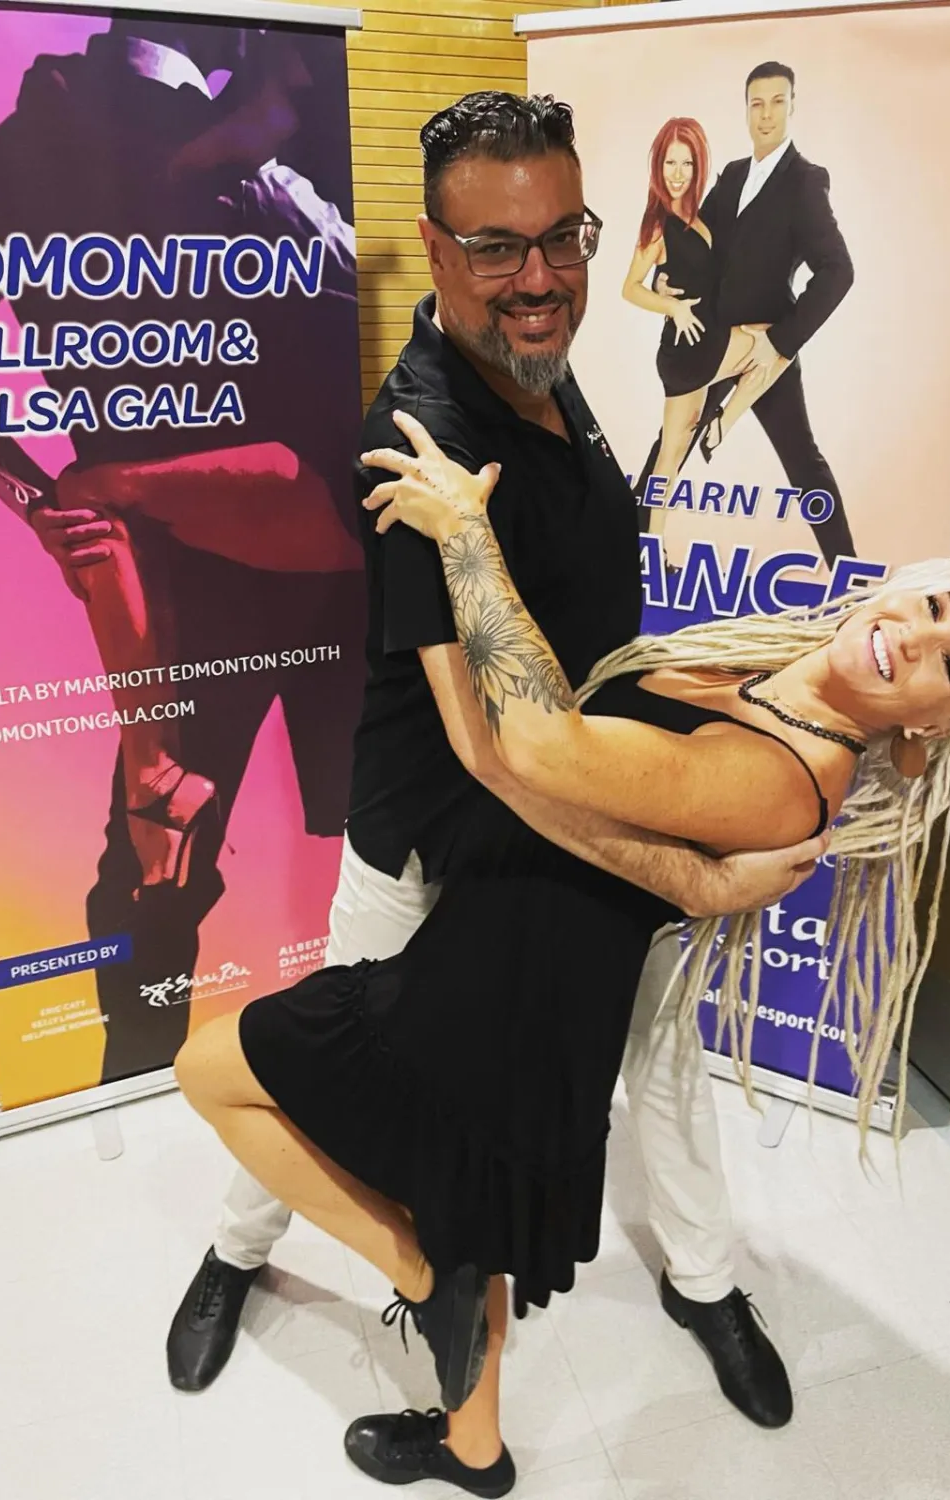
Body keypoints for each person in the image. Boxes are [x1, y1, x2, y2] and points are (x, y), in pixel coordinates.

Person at [176, 409, 950, 1497]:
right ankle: (474, 1451)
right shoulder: (775, 673)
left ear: (938, 726)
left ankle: (408, 1273)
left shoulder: (789, 775)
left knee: (209, 1073)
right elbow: (536, 770)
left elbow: (531, 751)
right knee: (471, 1202)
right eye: (928, 605)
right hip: (524, 966)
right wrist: (695, 880)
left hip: (505, 982)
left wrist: (459, 547)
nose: (915, 638)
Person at [166, 92, 817, 1430]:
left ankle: (700, 1280)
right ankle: (241, 1251)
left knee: (662, 1057)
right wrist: (682, 876)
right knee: (323, 1071)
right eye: (495, 248)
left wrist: (734, 694)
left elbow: (577, 644)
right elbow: (484, 740)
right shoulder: (420, 442)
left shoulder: (544, 356)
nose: (540, 277)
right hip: (435, 840)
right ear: (436, 244)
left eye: (561, 237)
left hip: (580, 806)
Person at [0, 21, 366, 1082]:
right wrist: (36, 488)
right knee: (157, 889)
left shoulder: (302, 96)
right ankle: (146, 1090)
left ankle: (363, 1059)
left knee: (374, 848)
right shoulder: (48, 138)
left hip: (348, 565)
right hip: (186, 594)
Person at [640, 61, 856, 568]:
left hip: (763, 348)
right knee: (669, 449)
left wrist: (782, 340)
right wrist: (662, 282)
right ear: (746, 109)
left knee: (803, 464)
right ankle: (638, 550)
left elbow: (838, 271)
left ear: (793, 105)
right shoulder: (734, 175)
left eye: (778, 101)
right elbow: (694, 243)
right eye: (757, 103)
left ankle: (850, 581)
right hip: (712, 339)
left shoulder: (805, 182)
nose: (766, 114)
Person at [623, 117, 790, 547]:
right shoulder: (658, 224)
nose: (677, 174)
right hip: (689, 349)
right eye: (669, 163)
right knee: (779, 344)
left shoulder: (702, 217)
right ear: (657, 167)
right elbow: (629, 288)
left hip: (705, 342)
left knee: (671, 454)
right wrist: (670, 305)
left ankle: (651, 549)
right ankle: (724, 423)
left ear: (699, 168)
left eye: (687, 164)